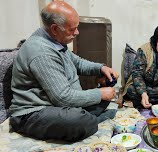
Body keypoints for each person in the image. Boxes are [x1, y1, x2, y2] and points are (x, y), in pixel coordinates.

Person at [9, 1, 119, 142]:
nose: (77, 32)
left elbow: (77, 62)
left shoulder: (55, 41)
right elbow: (62, 98)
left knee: (105, 94)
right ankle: (90, 118)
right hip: (33, 112)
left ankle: (88, 115)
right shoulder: (42, 52)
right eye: (72, 29)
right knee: (81, 120)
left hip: (57, 105)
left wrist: (101, 68)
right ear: (55, 29)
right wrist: (99, 94)